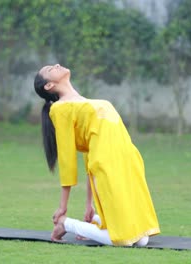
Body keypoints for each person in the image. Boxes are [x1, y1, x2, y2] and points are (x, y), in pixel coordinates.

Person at [33, 64, 160, 246]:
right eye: (50, 68)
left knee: (141, 240)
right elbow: (67, 159)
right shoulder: (60, 109)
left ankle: (99, 222)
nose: (57, 65)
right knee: (123, 241)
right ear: (48, 86)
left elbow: (87, 152)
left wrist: (89, 205)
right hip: (106, 164)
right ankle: (66, 224)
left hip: (127, 161)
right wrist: (63, 207)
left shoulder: (87, 102)